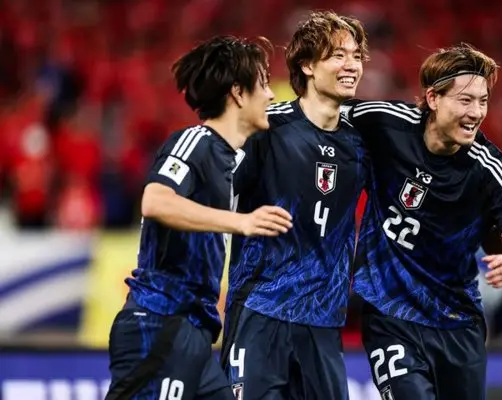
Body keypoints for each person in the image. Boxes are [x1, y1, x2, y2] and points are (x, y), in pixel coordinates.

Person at [344, 44, 502, 400]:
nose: (477, 112)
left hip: (456, 324)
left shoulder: (490, 169)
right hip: (390, 314)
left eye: (483, 101)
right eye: (465, 100)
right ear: (433, 98)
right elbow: (321, 113)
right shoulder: (386, 123)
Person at [105, 35, 293, 400]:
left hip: (194, 331)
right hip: (158, 323)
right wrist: (240, 222)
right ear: (238, 93)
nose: (271, 95)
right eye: (264, 84)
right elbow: (155, 201)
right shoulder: (195, 141)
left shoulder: (232, 159)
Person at [221, 11, 369, 400]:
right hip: (261, 311)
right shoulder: (266, 128)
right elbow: (214, 195)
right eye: (338, 55)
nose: (351, 65)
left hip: (323, 322)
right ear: (307, 65)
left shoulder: (363, 143)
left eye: (356, 56)